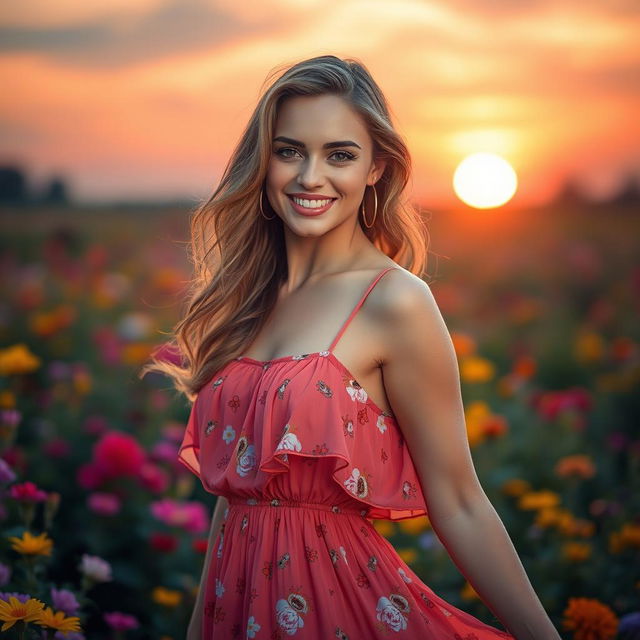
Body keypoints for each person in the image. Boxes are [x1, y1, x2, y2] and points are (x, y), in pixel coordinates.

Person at [143, 55, 561, 640]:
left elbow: (460, 500)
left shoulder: (395, 301)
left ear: (375, 169)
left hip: (337, 609)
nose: (310, 177)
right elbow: (240, 489)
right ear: (263, 162)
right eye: (289, 151)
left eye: (339, 155)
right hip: (234, 609)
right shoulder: (250, 297)